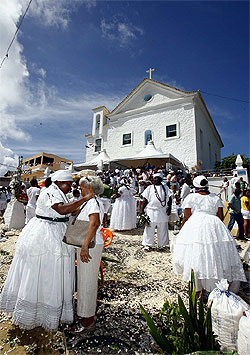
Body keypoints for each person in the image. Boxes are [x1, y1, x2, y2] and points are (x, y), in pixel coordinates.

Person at [0, 170, 92, 331]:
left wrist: (82, 207)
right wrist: (84, 199)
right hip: (45, 233)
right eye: (68, 184)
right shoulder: (50, 192)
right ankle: (36, 307)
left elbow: (67, 210)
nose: (70, 187)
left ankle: (49, 305)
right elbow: (61, 210)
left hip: (56, 229)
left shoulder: (59, 192)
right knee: (44, 268)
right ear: (60, 182)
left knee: (52, 270)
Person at [172, 175, 246, 293]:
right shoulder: (215, 197)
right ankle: (216, 283)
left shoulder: (191, 197)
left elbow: (186, 216)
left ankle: (197, 286)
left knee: (197, 252)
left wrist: (183, 229)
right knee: (214, 252)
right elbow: (220, 216)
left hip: (195, 224)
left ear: (196, 186)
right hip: (214, 223)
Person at [69, 176, 105, 334]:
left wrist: (84, 247)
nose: (80, 190)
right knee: (86, 280)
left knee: (86, 282)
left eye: (82, 187)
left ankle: (87, 319)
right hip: (89, 244)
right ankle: (87, 314)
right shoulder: (90, 202)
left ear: (89, 188)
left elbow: (94, 223)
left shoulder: (93, 203)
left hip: (89, 245)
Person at [140, 172, 172, 251]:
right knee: (149, 228)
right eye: (155, 178)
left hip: (163, 211)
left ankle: (162, 245)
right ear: (153, 179)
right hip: (151, 211)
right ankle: (148, 244)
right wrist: (141, 210)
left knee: (163, 228)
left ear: (161, 179)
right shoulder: (149, 188)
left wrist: (169, 208)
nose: (156, 179)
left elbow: (170, 198)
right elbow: (145, 199)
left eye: (158, 178)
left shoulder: (166, 188)